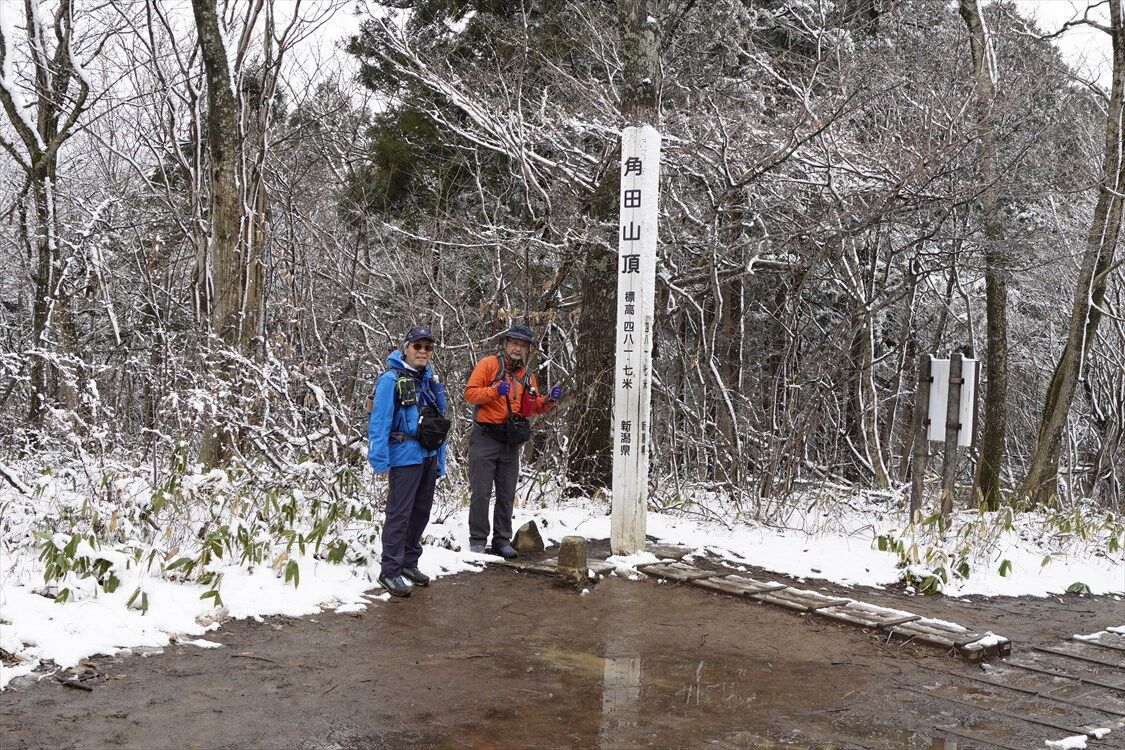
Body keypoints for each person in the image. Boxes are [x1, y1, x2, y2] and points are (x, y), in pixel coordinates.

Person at [463, 324, 562, 557]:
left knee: (507, 493)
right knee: (481, 492)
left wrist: (549, 400)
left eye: (523, 345)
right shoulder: (488, 365)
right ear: (506, 343)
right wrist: (494, 390)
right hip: (486, 436)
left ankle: (502, 540)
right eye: (514, 343)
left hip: (510, 440)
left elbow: (532, 407)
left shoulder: (527, 375)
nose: (518, 348)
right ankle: (478, 539)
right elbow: (470, 394)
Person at [368, 325, 447, 597]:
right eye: (417, 346)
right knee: (399, 514)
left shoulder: (429, 381)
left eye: (428, 347)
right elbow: (379, 422)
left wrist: (440, 460)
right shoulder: (390, 379)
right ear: (406, 348)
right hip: (404, 456)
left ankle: (409, 563)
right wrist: (379, 461)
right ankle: (390, 570)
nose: (422, 351)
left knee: (421, 512)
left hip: (428, 455)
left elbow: (439, 424)